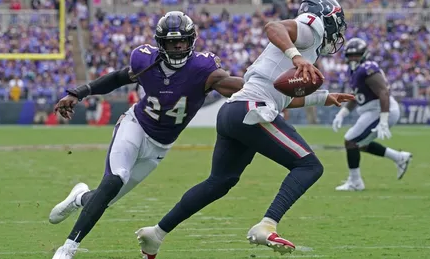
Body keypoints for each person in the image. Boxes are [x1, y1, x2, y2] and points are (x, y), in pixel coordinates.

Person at [133, 1, 354, 258]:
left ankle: (156, 234)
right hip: (251, 109)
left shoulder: (306, 45)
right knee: (309, 166)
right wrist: (295, 56)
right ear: (328, 17)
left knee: (219, 182)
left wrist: (323, 97)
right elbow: (273, 26)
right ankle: (267, 224)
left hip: (234, 111)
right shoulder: (311, 27)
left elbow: (279, 96)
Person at [49, 11, 244, 259]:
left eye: (182, 41)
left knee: (104, 199)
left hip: (160, 147)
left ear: (191, 41)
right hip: (136, 127)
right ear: (160, 43)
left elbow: (234, 86)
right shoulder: (145, 60)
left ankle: (79, 199)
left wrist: (266, 90)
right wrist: (79, 92)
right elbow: (119, 77)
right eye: (171, 42)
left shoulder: (204, 68)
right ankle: (67, 249)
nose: (177, 47)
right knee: (114, 179)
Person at [332, 37, 412, 191]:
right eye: (350, 55)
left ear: (364, 54)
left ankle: (355, 182)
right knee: (358, 144)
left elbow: (384, 92)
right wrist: (343, 113)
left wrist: (384, 119)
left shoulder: (368, 68)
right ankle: (399, 157)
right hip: (372, 109)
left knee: (351, 141)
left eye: (356, 55)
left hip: (380, 109)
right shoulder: (354, 70)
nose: (353, 58)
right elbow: (357, 95)